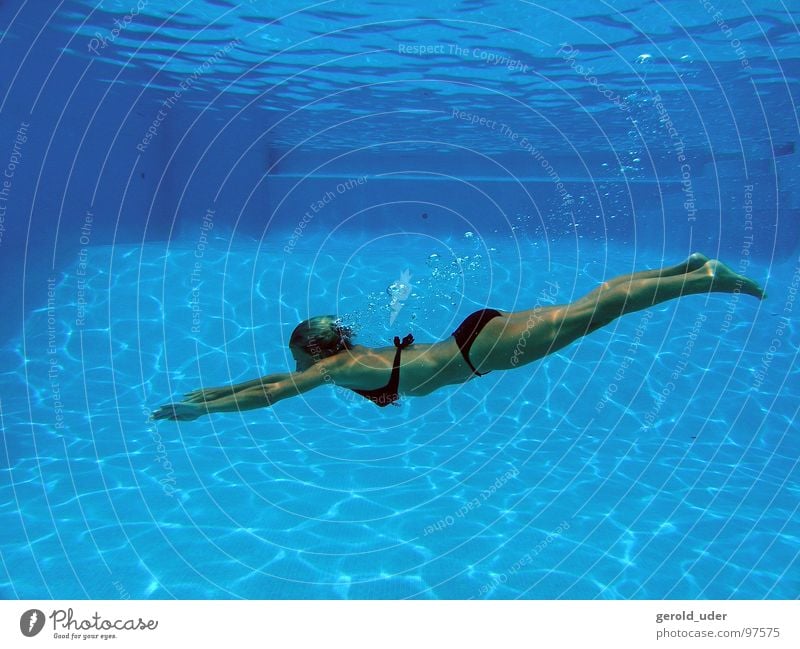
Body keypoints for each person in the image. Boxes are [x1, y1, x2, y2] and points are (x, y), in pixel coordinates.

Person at [150, 253, 765, 421]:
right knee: (592, 306)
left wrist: (201, 414)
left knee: (597, 311)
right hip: (476, 338)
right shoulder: (346, 360)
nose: (294, 368)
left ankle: (702, 280)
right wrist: (207, 395)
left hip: (481, 349)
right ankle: (686, 268)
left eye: (296, 359)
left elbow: (273, 394)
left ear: (313, 353)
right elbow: (271, 382)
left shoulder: (335, 371)